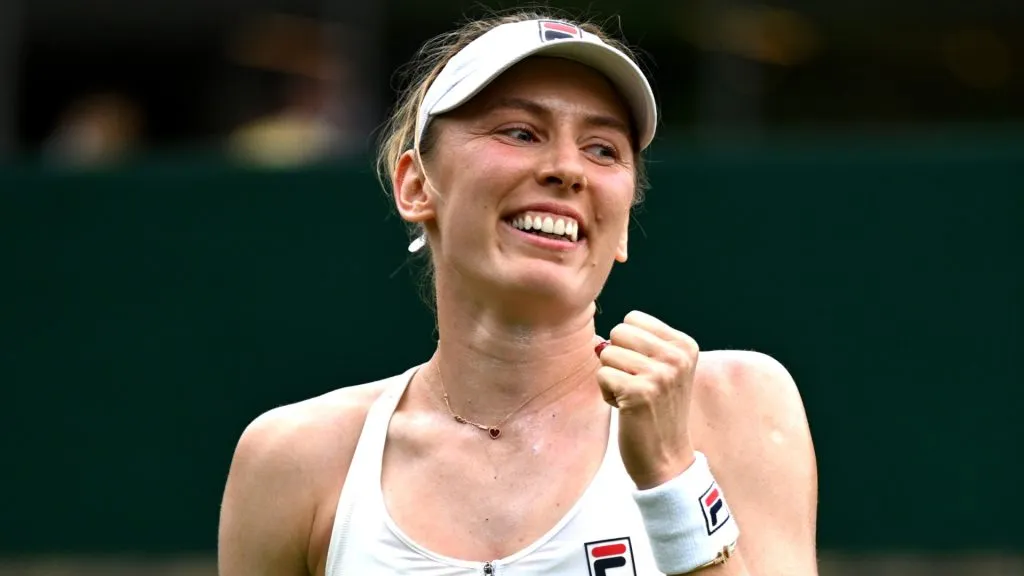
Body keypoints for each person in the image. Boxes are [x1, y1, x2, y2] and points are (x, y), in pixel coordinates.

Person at [217, 10, 819, 576]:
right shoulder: (292, 459)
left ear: (623, 225)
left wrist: (672, 480)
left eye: (602, 149)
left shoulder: (733, 404)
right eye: (520, 132)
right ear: (415, 186)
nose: (567, 168)